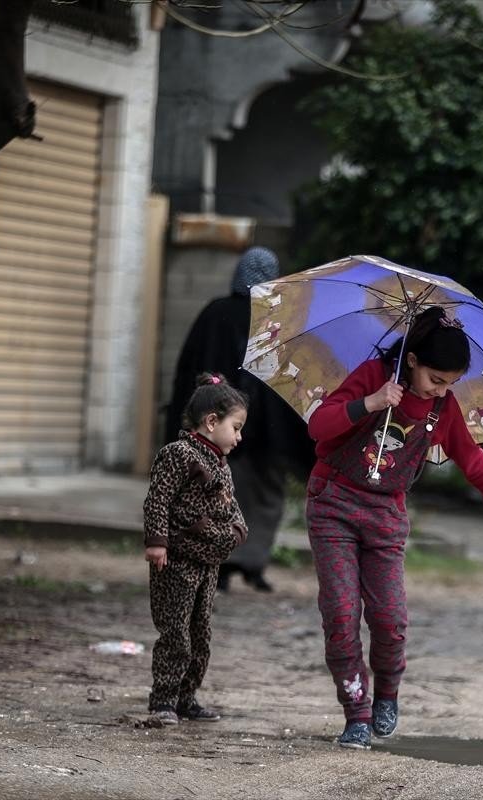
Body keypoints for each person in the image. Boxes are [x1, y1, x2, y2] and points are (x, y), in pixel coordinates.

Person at [305, 306, 483, 750]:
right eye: (435, 379)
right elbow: (318, 427)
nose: (442, 390)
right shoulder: (372, 377)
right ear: (412, 360)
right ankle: (356, 711)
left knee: (390, 620)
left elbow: (472, 458)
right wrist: (369, 403)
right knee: (342, 613)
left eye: (450, 382)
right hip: (333, 504)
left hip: (387, 517)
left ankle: (387, 692)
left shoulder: (442, 408)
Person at [166, 246, 314, 593]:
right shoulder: (282, 318)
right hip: (270, 429)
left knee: (220, 493)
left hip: (219, 424)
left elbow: (189, 369)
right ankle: (251, 563)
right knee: (264, 495)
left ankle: (226, 565)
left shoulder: (215, 314)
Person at [143, 373, 249, 726]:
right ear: (212, 422)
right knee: (176, 633)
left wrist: (237, 530)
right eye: (235, 427)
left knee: (201, 635)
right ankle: (163, 701)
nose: (239, 436)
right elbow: (157, 500)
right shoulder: (178, 455)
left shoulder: (220, 462)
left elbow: (230, 505)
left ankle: (187, 697)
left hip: (208, 563)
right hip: (177, 562)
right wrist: (157, 542)